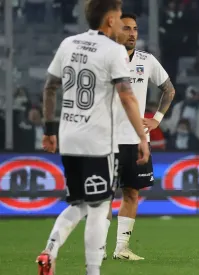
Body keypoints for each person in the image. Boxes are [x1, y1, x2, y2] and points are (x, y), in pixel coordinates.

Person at [35, 1, 150, 274]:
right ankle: (93, 270)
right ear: (110, 20)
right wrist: (141, 137)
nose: (122, 23)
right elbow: (126, 95)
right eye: (120, 17)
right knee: (100, 207)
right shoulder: (113, 51)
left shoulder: (68, 44)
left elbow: (50, 87)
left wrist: (50, 130)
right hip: (98, 141)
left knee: (80, 203)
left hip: (69, 138)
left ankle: (49, 250)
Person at [105, 12, 175, 261]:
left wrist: (156, 119)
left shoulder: (147, 60)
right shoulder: (104, 60)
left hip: (136, 140)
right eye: (127, 28)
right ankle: (98, 248)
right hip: (107, 140)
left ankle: (121, 248)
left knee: (132, 192)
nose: (132, 33)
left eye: (135, 29)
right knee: (104, 196)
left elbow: (168, 89)